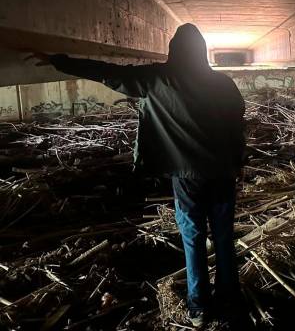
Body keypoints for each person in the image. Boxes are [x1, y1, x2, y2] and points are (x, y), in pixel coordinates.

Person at [29, 24, 245, 328]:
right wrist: (238, 161)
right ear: (201, 51)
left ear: (174, 50)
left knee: (193, 238)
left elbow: (109, 72)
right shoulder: (223, 84)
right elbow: (238, 123)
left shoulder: (157, 78)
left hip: (186, 177)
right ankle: (229, 301)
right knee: (223, 238)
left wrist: (59, 61)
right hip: (222, 173)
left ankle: (199, 309)